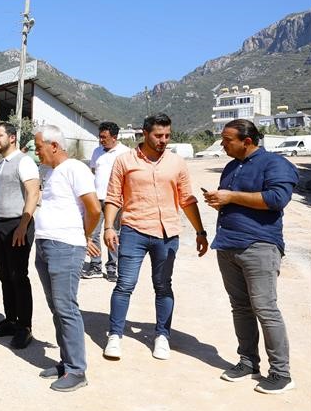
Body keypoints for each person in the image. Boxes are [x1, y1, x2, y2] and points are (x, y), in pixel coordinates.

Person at [102, 113, 208, 362]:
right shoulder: (124, 161)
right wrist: (108, 227)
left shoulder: (177, 163)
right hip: (133, 231)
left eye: (167, 136)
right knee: (124, 285)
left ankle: (162, 336)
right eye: (158, 135)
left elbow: (186, 199)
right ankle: (115, 335)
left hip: (167, 234)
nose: (163, 140)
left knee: (163, 286)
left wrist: (200, 231)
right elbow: (113, 197)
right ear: (144, 133)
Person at [204, 119, 299, 394]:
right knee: (240, 307)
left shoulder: (275, 163)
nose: (222, 145)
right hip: (228, 245)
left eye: (227, 140)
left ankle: (281, 373)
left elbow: (277, 199)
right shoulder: (232, 166)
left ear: (247, 141)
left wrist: (231, 196)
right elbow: (233, 200)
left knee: (266, 309)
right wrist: (219, 200)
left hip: (259, 247)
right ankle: (248, 362)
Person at [32, 125, 101, 392]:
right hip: (46, 244)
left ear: (54, 145)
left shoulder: (76, 169)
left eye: (38, 146)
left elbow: (94, 209)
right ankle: (65, 361)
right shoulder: (51, 172)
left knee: (66, 308)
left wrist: (83, 235)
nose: (36, 151)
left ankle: (77, 370)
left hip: (65, 246)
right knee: (56, 308)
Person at [0, 122, 40, 349]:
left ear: (13, 138)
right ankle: (10, 319)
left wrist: (23, 225)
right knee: (4, 275)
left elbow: (33, 193)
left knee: (19, 276)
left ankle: (25, 327)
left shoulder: (24, 161)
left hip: (18, 224)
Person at [82, 122, 129, 281]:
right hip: (96, 199)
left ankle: (112, 268)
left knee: (113, 234)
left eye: (104, 137)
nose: (101, 140)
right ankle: (95, 266)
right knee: (93, 233)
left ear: (114, 138)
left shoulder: (125, 153)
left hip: (115, 201)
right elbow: (93, 171)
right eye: (100, 137)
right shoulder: (97, 151)